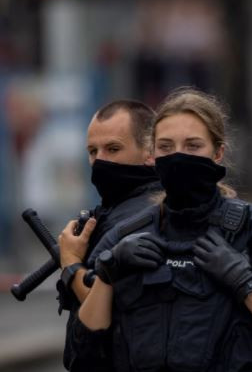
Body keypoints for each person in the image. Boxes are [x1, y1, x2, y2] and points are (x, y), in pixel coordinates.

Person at [73, 88, 252, 371]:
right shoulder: (123, 237)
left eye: (193, 146)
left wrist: (246, 282)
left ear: (218, 152)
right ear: (152, 154)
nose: (178, 157)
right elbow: (83, 356)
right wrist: (107, 274)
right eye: (166, 147)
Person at [56, 100, 161, 371]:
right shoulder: (113, 211)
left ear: (150, 151)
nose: (100, 161)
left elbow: (108, 307)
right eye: (92, 151)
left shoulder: (148, 216)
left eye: (113, 149)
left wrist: (70, 265)